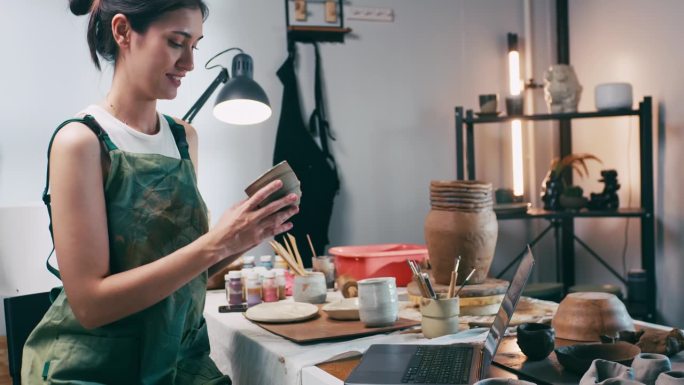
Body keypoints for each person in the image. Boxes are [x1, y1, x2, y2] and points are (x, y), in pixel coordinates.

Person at [21, 0, 298, 383]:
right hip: (96, 369)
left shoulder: (184, 138)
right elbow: (90, 305)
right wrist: (216, 242)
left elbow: (183, 269)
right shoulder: (81, 142)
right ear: (122, 32)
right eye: (175, 42)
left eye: (195, 45)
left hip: (179, 361)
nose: (189, 63)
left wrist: (243, 237)